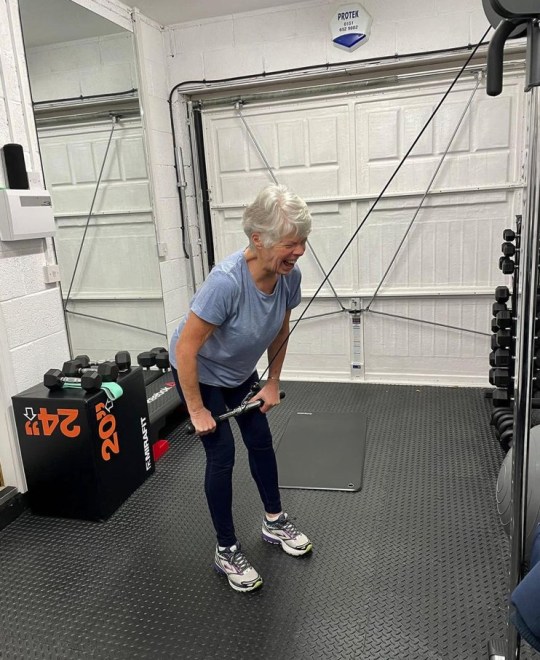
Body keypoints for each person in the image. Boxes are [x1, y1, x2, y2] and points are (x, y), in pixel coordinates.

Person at [169, 183, 313, 593]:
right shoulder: (226, 282)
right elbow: (186, 348)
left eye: (303, 242)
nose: (299, 251)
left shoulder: (288, 276)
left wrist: (272, 381)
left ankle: (274, 522)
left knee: (260, 440)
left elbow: (279, 326)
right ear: (258, 239)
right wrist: (196, 409)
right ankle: (226, 549)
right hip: (200, 373)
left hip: (238, 373)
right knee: (223, 453)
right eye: (291, 243)